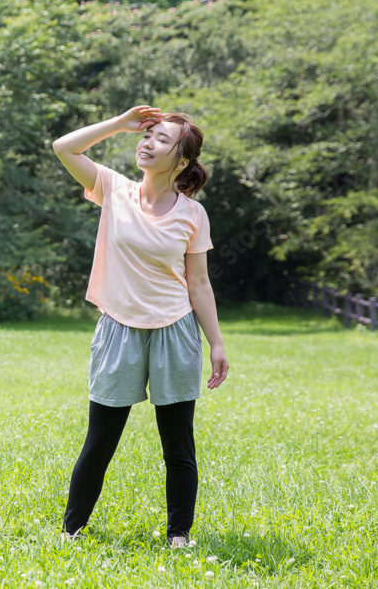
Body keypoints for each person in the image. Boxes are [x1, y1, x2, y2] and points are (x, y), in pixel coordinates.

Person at [52, 104, 230, 548]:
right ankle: (71, 532)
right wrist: (117, 123)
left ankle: (179, 537)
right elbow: (63, 147)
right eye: (147, 136)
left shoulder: (193, 214)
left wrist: (217, 344)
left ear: (183, 161)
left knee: (178, 445)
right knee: (99, 441)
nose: (147, 143)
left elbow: (200, 283)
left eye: (161, 140)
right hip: (119, 329)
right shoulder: (113, 189)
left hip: (174, 330)